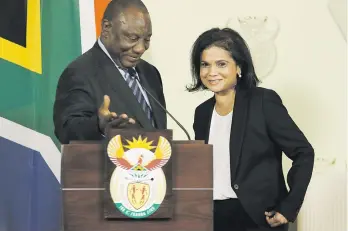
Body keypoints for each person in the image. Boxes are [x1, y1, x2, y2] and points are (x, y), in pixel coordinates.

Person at [187, 28, 314, 231]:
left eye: (221, 64)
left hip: (256, 220)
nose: (212, 72)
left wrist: (288, 207)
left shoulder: (263, 101)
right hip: (213, 218)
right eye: (205, 65)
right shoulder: (201, 113)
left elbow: (304, 152)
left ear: (238, 66)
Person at [53, 0, 166, 144]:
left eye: (147, 39)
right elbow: (66, 129)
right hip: (107, 165)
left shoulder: (150, 73)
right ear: (106, 28)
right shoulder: (80, 72)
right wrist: (99, 126)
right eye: (132, 38)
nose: (141, 48)